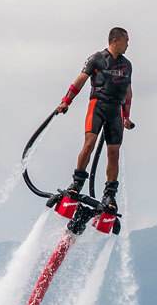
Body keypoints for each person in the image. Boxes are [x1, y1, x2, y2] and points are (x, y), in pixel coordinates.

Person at [55, 27, 135, 211]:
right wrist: (66, 101)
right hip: (98, 106)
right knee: (89, 143)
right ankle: (76, 184)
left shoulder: (127, 65)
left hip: (115, 110)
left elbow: (128, 93)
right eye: (126, 41)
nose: (128, 45)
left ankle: (109, 196)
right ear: (115, 41)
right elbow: (80, 80)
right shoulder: (96, 58)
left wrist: (127, 117)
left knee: (113, 153)